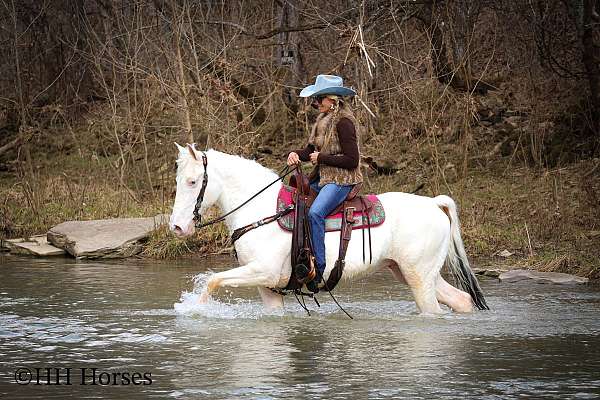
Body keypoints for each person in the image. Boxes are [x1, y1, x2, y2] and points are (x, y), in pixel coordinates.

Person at [287, 74, 363, 292]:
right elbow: (310, 151)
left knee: (315, 214)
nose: (316, 103)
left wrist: (321, 158)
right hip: (323, 178)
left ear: (333, 100)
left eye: (319, 99)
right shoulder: (321, 121)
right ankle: (301, 258)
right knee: (296, 204)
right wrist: (295, 154)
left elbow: (352, 160)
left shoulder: (345, 123)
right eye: (315, 100)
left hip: (342, 180)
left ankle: (318, 270)